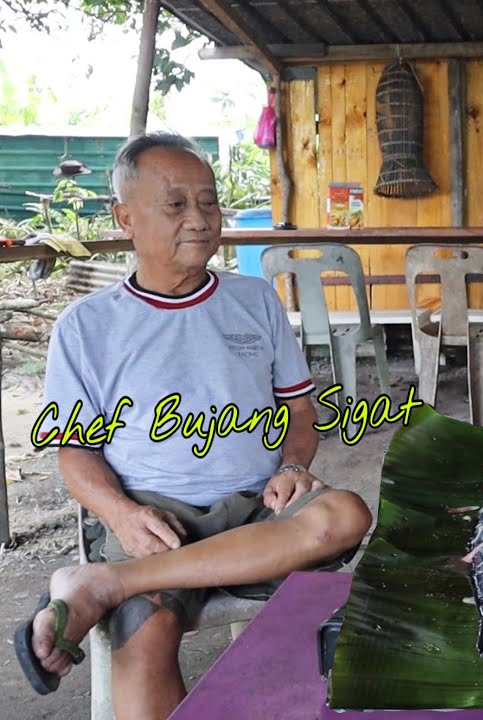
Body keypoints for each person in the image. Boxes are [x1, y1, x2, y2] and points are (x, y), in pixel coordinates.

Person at [12, 132, 373, 720]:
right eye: (176, 204)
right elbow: (73, 453)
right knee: (145, 653)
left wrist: (292, 465)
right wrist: (122, 515)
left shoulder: (254, 300)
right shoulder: (87, 326)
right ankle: (125, 580)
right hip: (153, 517)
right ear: (125, 217)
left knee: (344, 514)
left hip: (258, 508)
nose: (200, 219)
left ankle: (103, 584)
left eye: (208, 202)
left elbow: (300, 415)